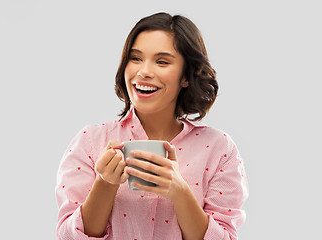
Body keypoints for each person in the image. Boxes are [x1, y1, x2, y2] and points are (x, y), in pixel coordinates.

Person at [55, 12, 248, 240]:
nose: (144, 71)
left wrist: (180, 192)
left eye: (162, 62)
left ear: (186, 76)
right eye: (135, 58)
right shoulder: (90, 141)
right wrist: (105, 184)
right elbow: (67, 236)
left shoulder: (219, 149)